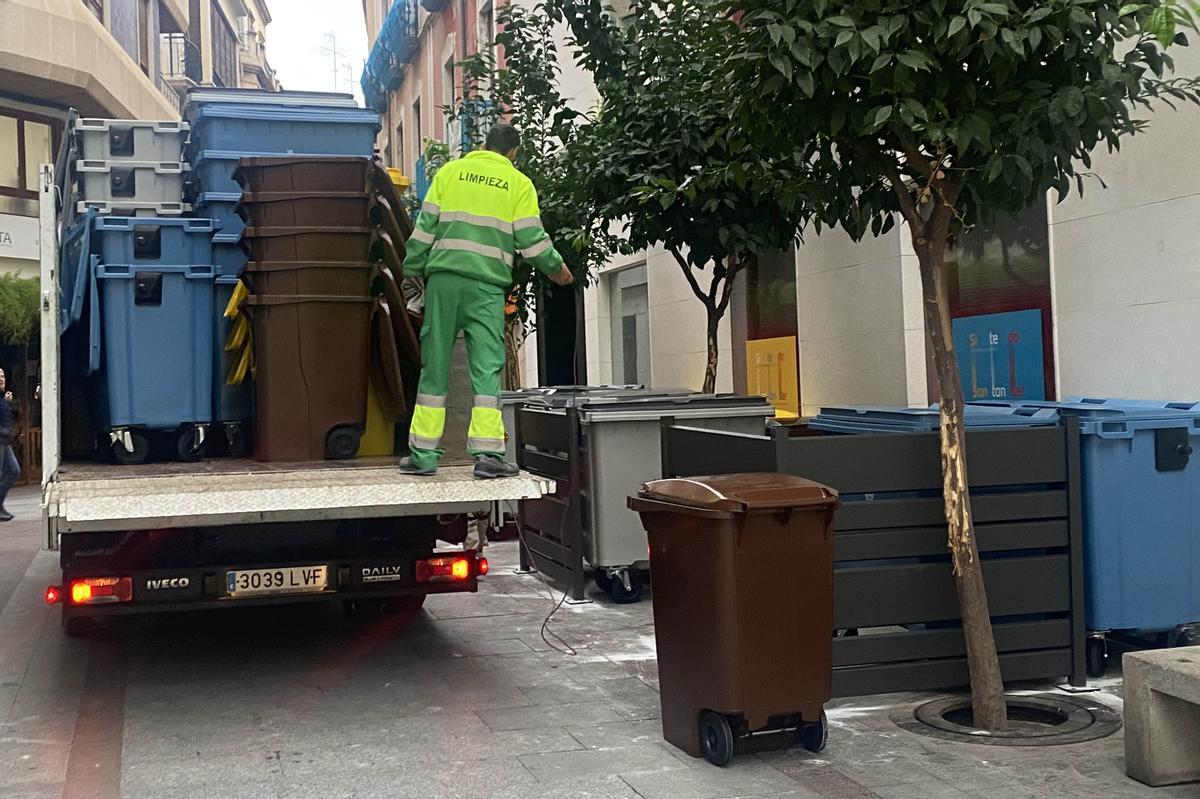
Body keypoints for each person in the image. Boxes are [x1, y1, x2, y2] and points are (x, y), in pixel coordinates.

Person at [399, 123, 574, 479]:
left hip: (443, 282)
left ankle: (423, 455)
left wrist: (412, 271)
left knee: (434, 367)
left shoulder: (450, 173)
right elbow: (531, 240)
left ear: (483, 145)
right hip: (486, 288)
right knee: (486, 369)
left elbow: (423, 229)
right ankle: (488, 456)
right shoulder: (518, 183)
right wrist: (559, 271)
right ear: (513, 153)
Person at [0, 368, 19, 522]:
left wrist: (7, 403)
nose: (1, 379)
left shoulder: (3, 398)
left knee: (13, 470)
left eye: (3, 376)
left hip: (4, 442)